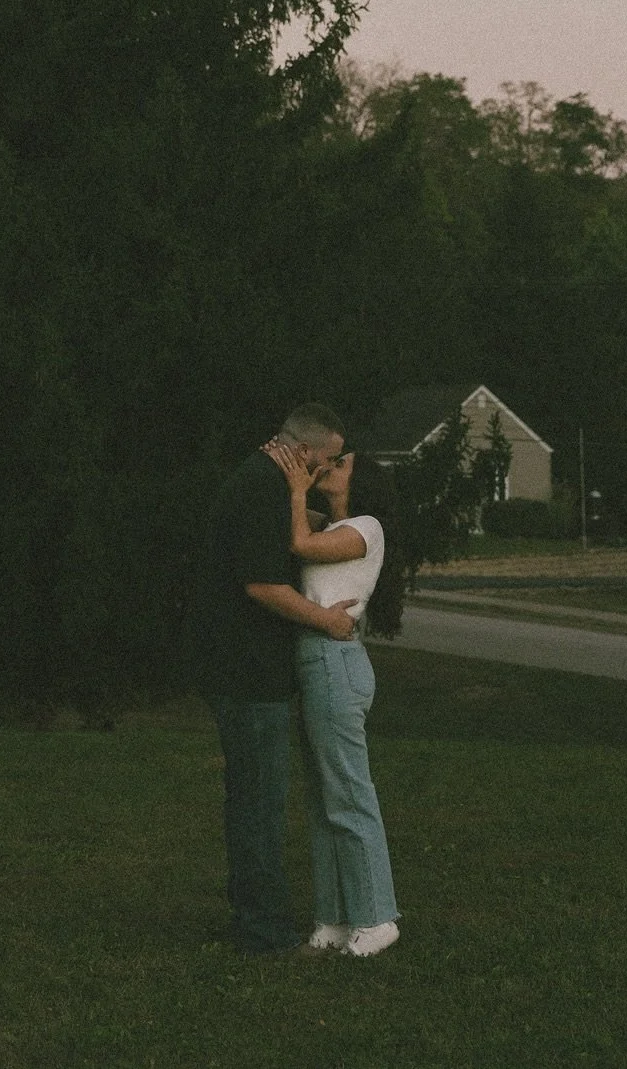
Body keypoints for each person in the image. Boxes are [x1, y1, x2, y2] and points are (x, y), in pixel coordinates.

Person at [190, 403, 360, 956]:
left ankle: (254, 917)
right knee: (259, 803)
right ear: (304, 451)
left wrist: (332, 500)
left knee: (253, 798)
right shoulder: (262, 489)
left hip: (246, 667)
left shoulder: (270, 485)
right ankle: (263, 932)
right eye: (329, 459)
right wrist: (329, 621)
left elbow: (317, 539)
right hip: (248, 670)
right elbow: (264, 586)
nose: (331, 468)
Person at [265, 438, 401, 958]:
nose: (330, 465)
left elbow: (299, 544)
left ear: (359, 482)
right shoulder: (331, 525)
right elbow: (293, 524)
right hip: (314, 659)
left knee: (348, 793)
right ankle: (335, 919)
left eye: (341, 464)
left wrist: (299, 489)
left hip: (334, 661)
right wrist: (288, 474)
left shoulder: (366, 528)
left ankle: (377, 918)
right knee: (325, 797)